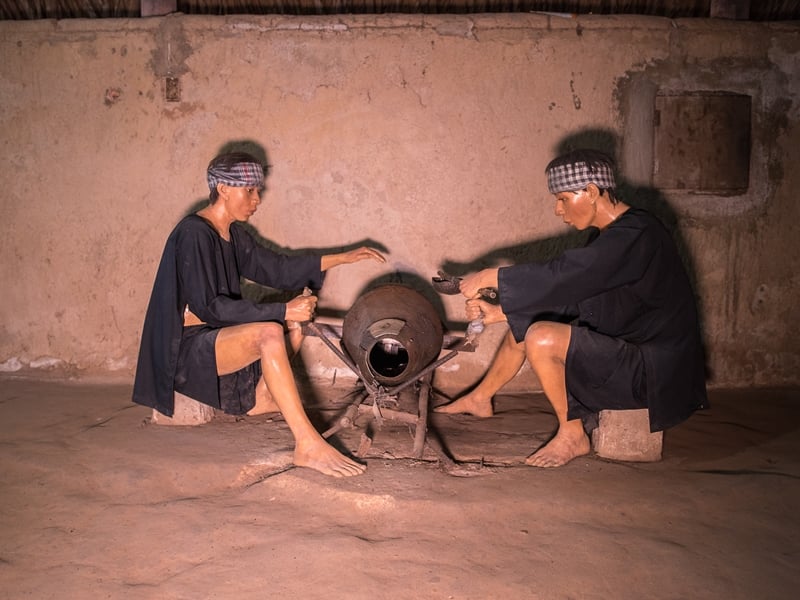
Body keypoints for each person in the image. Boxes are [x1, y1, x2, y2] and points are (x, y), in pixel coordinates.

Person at [435, 149, 708, 467]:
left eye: (563, 198)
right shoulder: (618, 236)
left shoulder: (638, 235)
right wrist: (501, 314)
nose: (558, 209)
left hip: (653, 370)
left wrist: (492, 275)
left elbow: (567, 274)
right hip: (634, 353)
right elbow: (576, 296)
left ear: (591, 192)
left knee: (541, 336)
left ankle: (572, 434)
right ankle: (480, 398)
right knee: (528, 325)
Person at [132, 151, 386, 477]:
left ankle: (262, 395)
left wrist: (342, 258)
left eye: (257, 191)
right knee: (269, 330)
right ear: (223, 188)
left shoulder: (233, 234)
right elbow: (210, 306)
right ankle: (306, 445)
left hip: (212, 339)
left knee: (293, 324)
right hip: (183, 351)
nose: (257, 199)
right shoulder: (194, 233)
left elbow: (278, 269)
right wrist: (281, 308)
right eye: (249, 191)